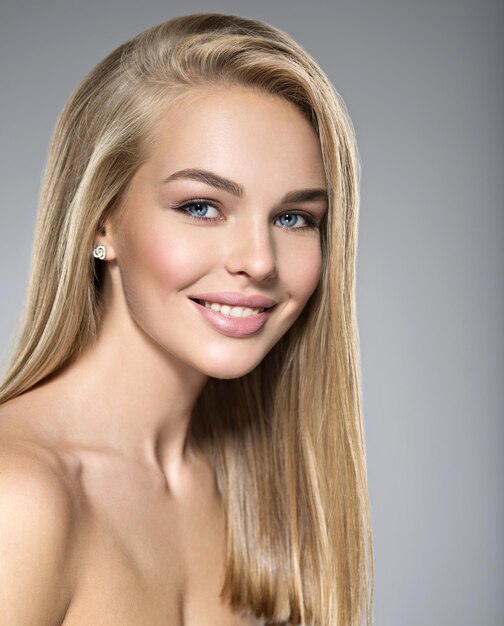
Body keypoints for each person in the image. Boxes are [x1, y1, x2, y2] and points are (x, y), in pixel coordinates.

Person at [0, 12, 373, 626]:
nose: (258, 262)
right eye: (202, 207)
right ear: (102, 220)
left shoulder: (255, 494)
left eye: (294, 218)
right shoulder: (20, 498)